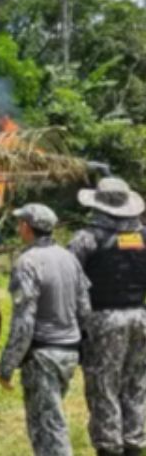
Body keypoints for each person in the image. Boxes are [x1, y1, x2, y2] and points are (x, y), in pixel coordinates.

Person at [0, 203, 91, 456]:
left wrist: (7, 364)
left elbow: (24, 320)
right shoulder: (69, 258)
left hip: (43, 356)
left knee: (49, 429)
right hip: (68, 352)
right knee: (49, 421)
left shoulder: (27, 263)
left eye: (20, 223)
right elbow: (84, 308)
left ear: (27, 228)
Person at [68, 177, 146, 456]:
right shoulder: (144, 237)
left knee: (104, 387)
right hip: (140, 316)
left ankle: (109, 447)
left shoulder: (86, 239)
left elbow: (71, 283)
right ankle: (134, 444)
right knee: (135, 384)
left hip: (102, 320)